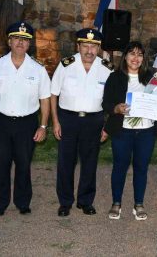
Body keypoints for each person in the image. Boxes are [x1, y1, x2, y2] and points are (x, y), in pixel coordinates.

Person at [0, 21, 51, 216]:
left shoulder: (38, 70)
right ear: (9, 41)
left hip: (27, 123)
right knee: (1, 164)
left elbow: (45, 100)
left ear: (29, 44)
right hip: (1, 122)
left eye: (25, 40)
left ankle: (23, 202)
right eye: (17, 38)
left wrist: (43, 126)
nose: (20, 43)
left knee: (24, 164)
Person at [102, 41, 157, 221]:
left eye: (139, 55)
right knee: (120, 167)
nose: (135, 58)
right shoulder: (115, 77)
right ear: (125, 56)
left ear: (143, 59)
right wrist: (116, 108)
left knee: (141, 168)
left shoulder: (152, 78)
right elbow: (106, 103)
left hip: (146, 132)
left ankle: (138, 204)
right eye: (132, 53)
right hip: (123, 131)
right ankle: (116, 203)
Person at [51, 28, 113, 217]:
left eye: (93, 46)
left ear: (99, 48)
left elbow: (111, 100)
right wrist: (55, 122)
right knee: (65, 163)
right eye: (85, 45)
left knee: (89, 162)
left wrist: (107, 125)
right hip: (68, 119)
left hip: (94, 121)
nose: (89, 50)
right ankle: (65, 202)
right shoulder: (65, 65)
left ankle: (85, 201)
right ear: (78, 46)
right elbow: (53, 95)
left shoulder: (106, 68)